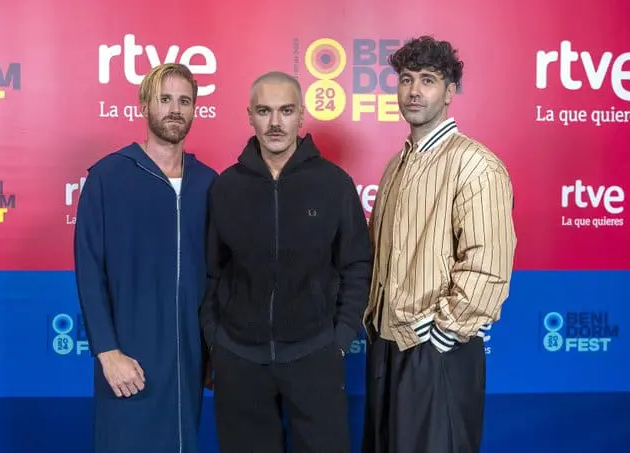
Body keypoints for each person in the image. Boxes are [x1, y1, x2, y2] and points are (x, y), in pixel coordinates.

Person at [199, 71, 372, 453]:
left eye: (286, 111)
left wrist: (340, 338)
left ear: (301, 115)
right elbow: (212, 272)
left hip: (314, 355)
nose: (275, 122)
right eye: (264, 111)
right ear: (250, 115)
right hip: (240, 359)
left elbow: (357, 265)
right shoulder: (226, 187)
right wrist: (216, 340)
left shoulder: (334, 184)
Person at [361, 36, 517, 453]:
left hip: (436, 351)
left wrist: (443, 333)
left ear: (449, 92)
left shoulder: (475, 163)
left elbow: (488, 263)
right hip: (388, 346)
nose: (414, 90)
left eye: (427, 80)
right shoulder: (396, 165)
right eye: (406, 79)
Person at [74, 62, 217, 453]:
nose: (175, 109)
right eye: (165, 99)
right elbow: (90, 270)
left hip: (189, 359)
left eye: (184, 101)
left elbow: (218, 276)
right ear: (143, 105)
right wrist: (108, 352)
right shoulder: (108, 177)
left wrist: (213, 351)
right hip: (128, 356)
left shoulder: (208, 183)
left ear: (195, 109)